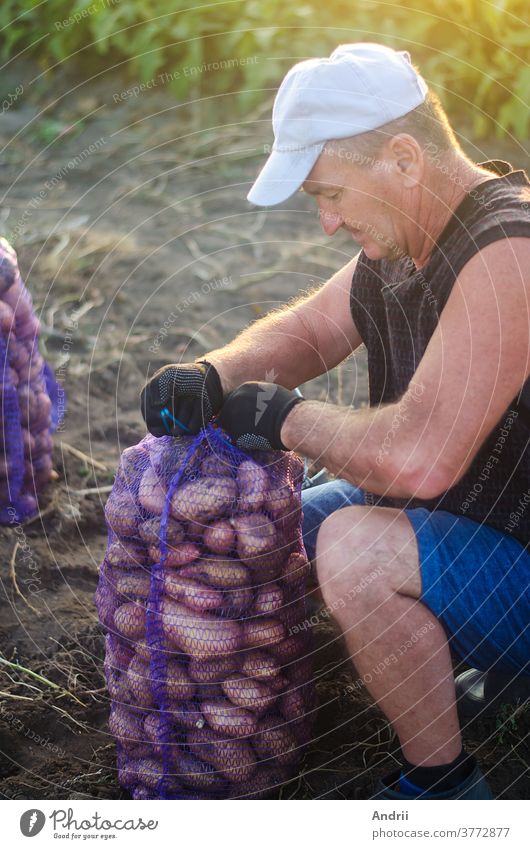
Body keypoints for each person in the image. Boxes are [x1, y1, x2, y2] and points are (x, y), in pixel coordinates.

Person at [140, 43, 530, 800]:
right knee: (281, 518)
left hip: (510, 544)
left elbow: (419, 458)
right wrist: (214, 373)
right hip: (477, 531)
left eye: (330, 193)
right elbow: (310, 333)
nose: (325, 222)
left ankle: (444, 787)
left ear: (405, 159)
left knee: (355, 549)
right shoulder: (412, 233)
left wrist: (290, 418)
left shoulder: (512, 255)